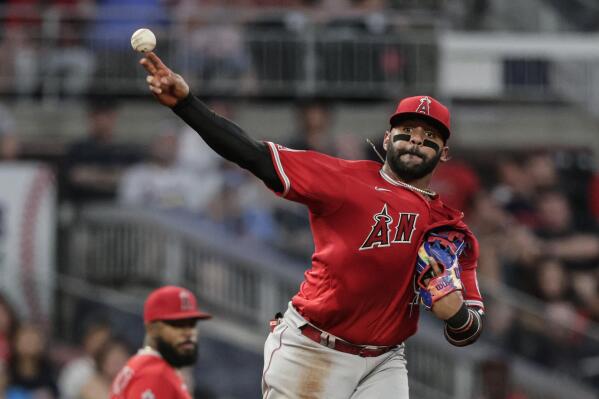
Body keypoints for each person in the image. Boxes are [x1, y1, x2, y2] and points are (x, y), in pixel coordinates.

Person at [139, 52, 484, 398]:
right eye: (406, 131)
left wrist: (456, 315)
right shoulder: (345, 179)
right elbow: (254, 155)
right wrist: (186, 104)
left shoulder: (450, 229)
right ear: (386, 138)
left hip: (385, 361)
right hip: (313, 349)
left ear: (444, 153)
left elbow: (470, 329)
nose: (415, 141)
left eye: (429, 137)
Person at [110, 286, 211, 399]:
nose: (189, 332)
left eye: (192, 324)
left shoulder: (139, 365)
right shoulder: (155, 374)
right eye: (178, 324)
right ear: (152, 329)